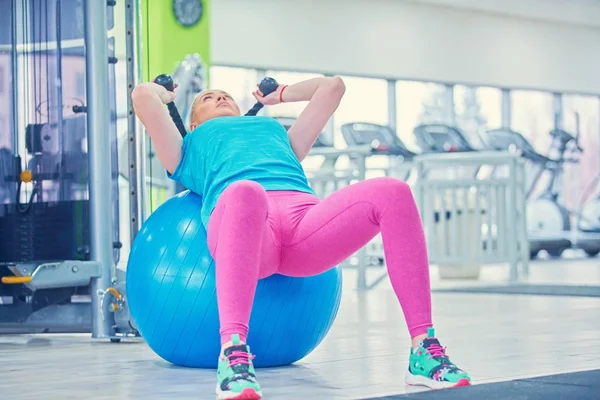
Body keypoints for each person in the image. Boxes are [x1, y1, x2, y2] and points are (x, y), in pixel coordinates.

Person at [132, 76, 471, 400]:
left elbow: (332, 88)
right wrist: (165, 96)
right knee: (246, 191)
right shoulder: (187, 148)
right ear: (193, 125)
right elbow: (142, 97)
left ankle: (424, 350)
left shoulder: (277, 132)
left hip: (304, 226)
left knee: (393, 192)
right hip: (249, 228)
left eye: (226, 96)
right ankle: (233, 355)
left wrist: (279, 95)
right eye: (208, 98)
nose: (220, 97)